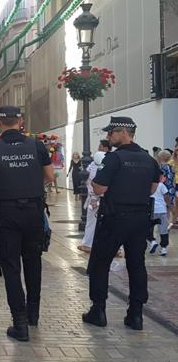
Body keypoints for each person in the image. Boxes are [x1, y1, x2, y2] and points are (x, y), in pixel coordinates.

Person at [82, 116, 160, 331]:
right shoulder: (148, 159)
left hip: (115, 218)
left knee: (100, 263)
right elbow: (153, 188)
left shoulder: (114, 158)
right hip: (140, 219)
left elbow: (99, 189)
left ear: (124, 132)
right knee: (136, 265)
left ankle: (98, 310)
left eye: (112, 132)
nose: (109, 137)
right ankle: (136, 315)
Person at [0, 106, 54, 342]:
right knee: (33, 262)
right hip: (33, 210)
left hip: (7, 212)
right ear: (20, 121)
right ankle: (33, 314)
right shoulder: (36, 146)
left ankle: (20, 323)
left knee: (11, 266)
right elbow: (50, 177)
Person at [78, 151, 106, 253]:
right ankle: (116, 248)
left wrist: (94, 198)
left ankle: (87, 244)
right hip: (107, 199)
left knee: (91, 222)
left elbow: (92, 185)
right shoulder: (106, 168)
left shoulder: (93, 169)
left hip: (95, 199)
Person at [148, 176, 171, 256]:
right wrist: (169, 206)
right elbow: (166, 196)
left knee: (148, 228)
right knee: (163, 230)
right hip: (162, 210)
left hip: (151, 211)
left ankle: (152, 241)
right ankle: (163, 248)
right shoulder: (161, 185)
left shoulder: (147, 184)